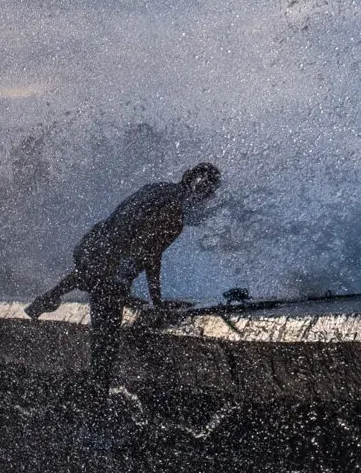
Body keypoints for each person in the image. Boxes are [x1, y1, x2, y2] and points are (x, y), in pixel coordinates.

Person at [25, 163, 221, 390]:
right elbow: (151, 254)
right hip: (110, 276)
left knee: (102, 338)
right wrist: (156, 302)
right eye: (208, 193)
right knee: (104, 349)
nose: (208, 200)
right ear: (200, 190)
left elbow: (124, 230)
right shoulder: (174, 214)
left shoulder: (156, 188)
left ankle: (50, 297)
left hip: (91, 249)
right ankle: (96, 412)